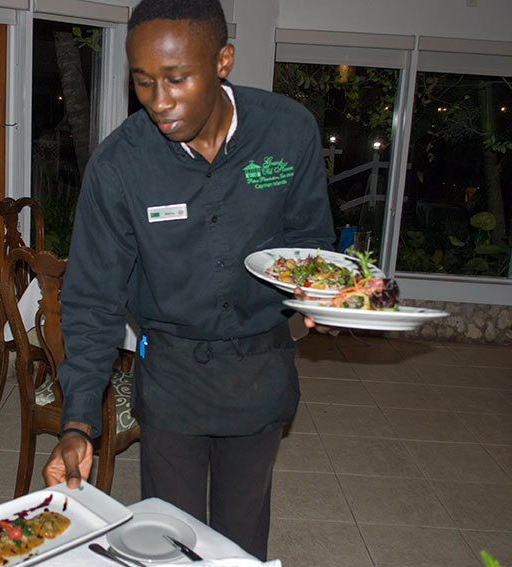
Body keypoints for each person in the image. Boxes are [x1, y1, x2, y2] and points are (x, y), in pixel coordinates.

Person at [42, 0, 334, 560]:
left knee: (241, 533)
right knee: (170, 538)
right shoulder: (120, 165)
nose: (160, 101)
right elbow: (92, 299)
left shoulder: (287, 131)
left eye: (177, 79)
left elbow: (310, 243)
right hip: (172, 374)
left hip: (260, 367)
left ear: (223, 60)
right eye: (144, 81)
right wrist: (78, 421)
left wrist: (324, 299)